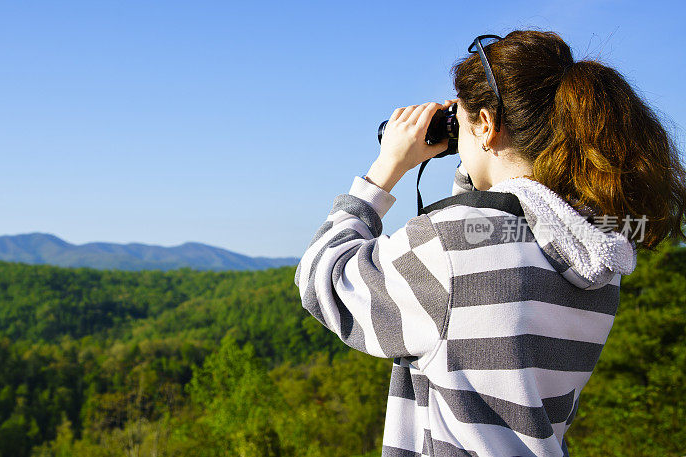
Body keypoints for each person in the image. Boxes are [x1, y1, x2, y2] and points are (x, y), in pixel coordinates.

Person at [293, 30, 686, 457]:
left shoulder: (452, 247)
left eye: (462, 126)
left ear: (487, 124)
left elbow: (323, 278)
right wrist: (474, 151)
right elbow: (504, 224)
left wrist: (384, 169)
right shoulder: (594, 249)